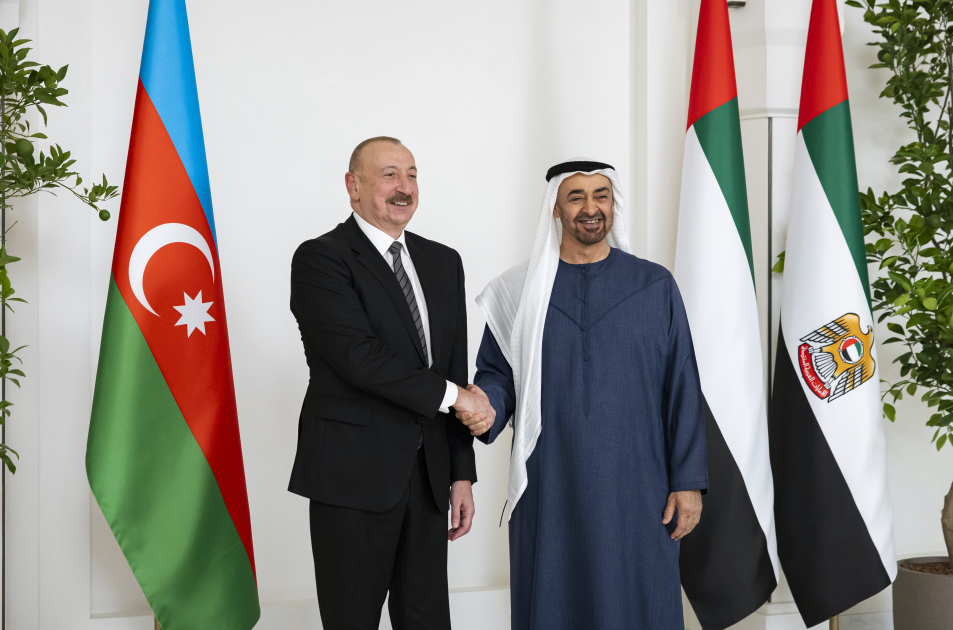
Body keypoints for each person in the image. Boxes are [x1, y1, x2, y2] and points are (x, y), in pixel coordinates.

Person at [460, 159, 708, 629]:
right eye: (576, 197)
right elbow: (497, 376)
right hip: (550, 481)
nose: (591, 208)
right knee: (555, 597)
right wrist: (486, 407)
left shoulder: (654, 285)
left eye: (601, 196)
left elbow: (683, 386)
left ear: (614, 205)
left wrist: (688, 481)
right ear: (555, 208)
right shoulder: (520, 291)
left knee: (639, 599)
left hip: (640, 485)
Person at [288, 136, 496, 630]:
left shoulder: (444, 261)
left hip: (429, 480)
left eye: (412, 174)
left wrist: (460, 473)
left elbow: (453, 367)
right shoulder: (321, 259)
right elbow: (361, 359)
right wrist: (458, 398)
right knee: (352, 620)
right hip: (352, 477)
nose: (404, 187)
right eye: (389, 175)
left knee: (427, 621)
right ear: (353, 186)